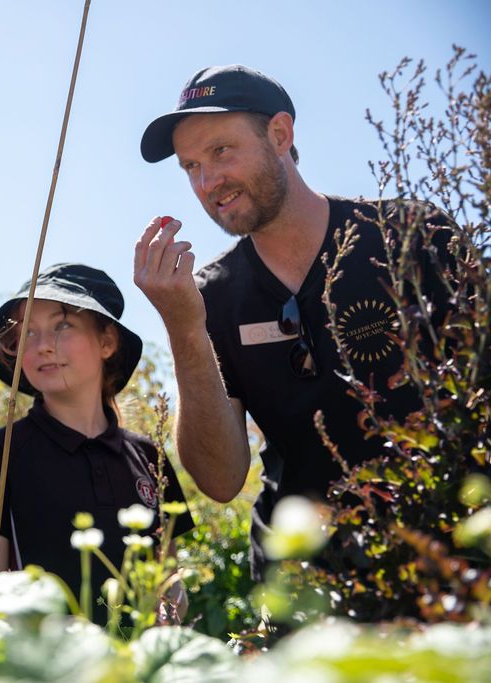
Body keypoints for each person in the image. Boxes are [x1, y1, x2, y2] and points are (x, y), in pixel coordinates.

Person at [133, 64, 452, 579]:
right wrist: (184, 328)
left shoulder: (412, 235)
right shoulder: (211, 296)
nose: (208, 181)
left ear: (280, 134)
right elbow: (220, 480)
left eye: (221, 151)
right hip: (300, 590)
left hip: (445, 563)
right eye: (190, 166)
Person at [0, 263, 193, 625]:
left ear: (107, 342)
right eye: (28, 333)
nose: (42, 346)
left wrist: (168, 608)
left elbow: (171, 580)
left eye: (62, 325)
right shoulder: (0, 451)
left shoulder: (149, 456)